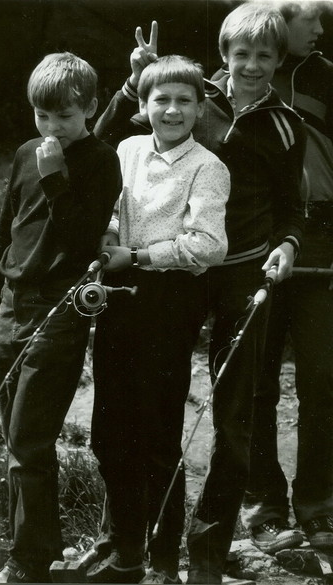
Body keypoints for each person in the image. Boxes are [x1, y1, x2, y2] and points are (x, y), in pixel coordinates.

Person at [87, 4, 306, 584]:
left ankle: (206, 550)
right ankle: (121, 542)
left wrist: (288, 243)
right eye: (242, 54)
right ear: (224, 56)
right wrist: (133, 81)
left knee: (232, 416)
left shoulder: (286, 126)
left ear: (280, 61)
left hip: (238, 275)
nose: (252, 66)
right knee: (146, 406)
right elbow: (106, 144)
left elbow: (293, 206)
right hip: (172, 282)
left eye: (265, 56)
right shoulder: (190, 97)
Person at [87, 54, 230, 585]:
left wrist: (138, 256)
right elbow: (110, 204)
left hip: (170, 306)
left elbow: (208, 245)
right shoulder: (126, 150)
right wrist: (108, 235)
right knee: (109, 433)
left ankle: (164, 559)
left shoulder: (208, 167)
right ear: (143, 106)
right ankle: (126, 551)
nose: (172, 110)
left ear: (200, 107)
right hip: (119, 301)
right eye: (161, 100)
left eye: (184, 100)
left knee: (158, 433)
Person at [0, 51, 121, 583]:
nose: (53, 127)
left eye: (65, 116)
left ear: (91, 108)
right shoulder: (25, 153)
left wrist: (57, 177)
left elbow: (83, 236)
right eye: (43, 116)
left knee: (29, 441)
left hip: (59, 309)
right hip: (12, 307)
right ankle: (37, 552)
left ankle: (28, 563)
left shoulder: (101, 159)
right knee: (18, 442)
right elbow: (3, 233)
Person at [240, 0, 333, 555]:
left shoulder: (327, 77)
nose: (321, 28)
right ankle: (263, 507)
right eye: (312, 18)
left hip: (321, 238)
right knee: (256, 379)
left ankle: (319, 506)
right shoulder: (228, 82)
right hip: (255, 240)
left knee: (322, 378)